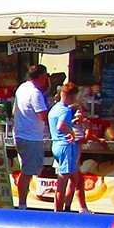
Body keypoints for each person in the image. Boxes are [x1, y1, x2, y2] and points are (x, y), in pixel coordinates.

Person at [11, 64, 52, 208]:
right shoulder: (35, 93)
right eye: (46, 76)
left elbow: (15, 110)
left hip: (21, 133)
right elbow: (43, 116)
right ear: (41, 76)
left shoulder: (22, 87)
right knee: (28, 172)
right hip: (31, 136)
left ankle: (22, 203)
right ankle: (22, 204)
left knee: (26, 170)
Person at [48, 81, 87, 213]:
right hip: (65, 146)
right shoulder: (65, 110)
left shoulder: (54, 108)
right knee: (62, 181)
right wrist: (71, 133)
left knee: (74, 177)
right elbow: (61, 125)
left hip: (56, 144)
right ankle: (58, 212)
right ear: (72, 96)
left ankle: (67, 206)